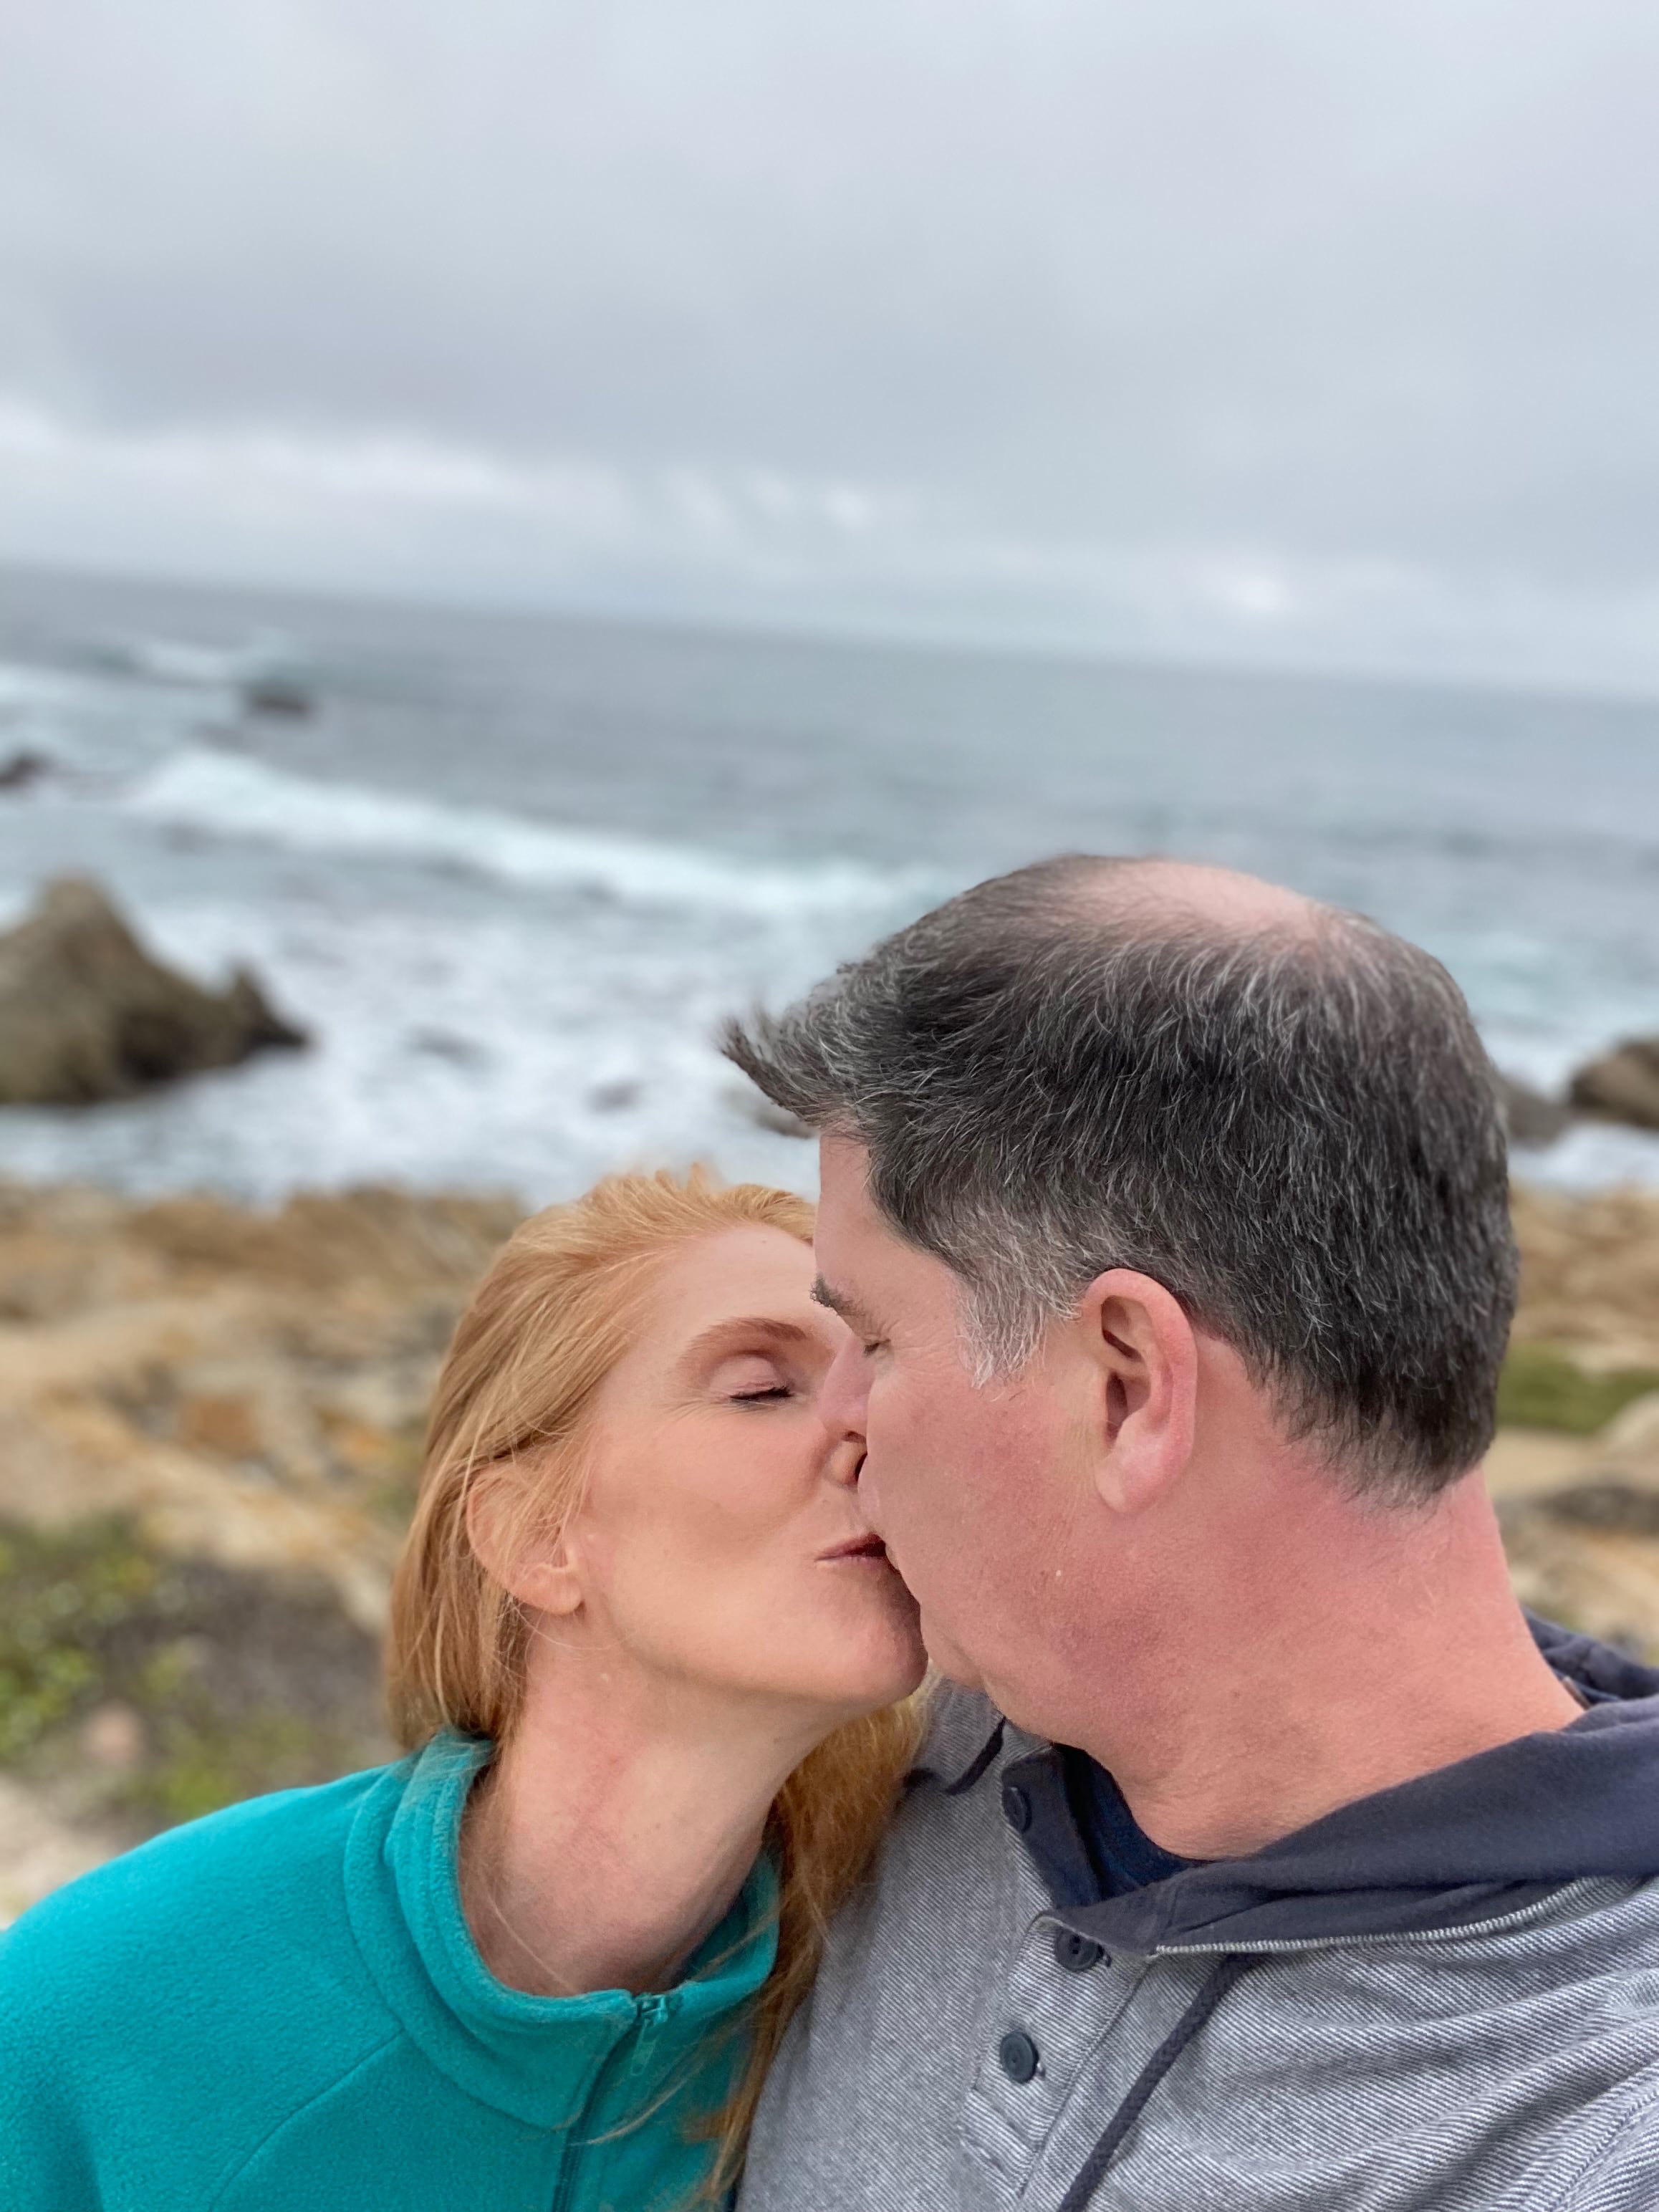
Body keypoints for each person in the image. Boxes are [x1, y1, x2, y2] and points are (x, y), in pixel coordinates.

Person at [727, 854, 1659, 2212]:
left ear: (1126, 1387)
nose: (839, 1425)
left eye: (873, 1339)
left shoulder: (1592, 2139)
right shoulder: (898, 1747)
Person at [0, 1170, 925, 2211]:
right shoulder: (99, 2013)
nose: (870, 1431)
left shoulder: (893, 1985)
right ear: (533, 1537)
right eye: (761, 1388)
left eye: (881, 1374)